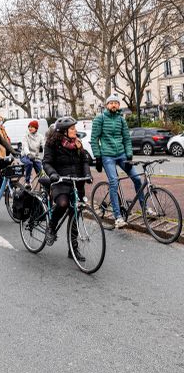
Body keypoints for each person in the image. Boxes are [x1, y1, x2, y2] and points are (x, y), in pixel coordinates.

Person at [90, 93, 149, 229]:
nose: (114, 105)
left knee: (137, 179)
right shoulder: (100, 119)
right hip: (107, 155)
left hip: (121, 154)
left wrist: (129, 153)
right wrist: (98, 157)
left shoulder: (121, 120)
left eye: (116, 103)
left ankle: (144, 208)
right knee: (114, 182)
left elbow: (127, 139)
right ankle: (118, 217)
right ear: (107, 105)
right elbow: (94, 139)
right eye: (111, 103)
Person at [43, 116, 91, 261]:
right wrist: (53, 174)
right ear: (64, 131)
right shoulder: (52, 144)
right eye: (72, 128)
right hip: (60, 181)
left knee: (76, 214)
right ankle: (51, 226)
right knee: (63, 204)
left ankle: (73, 249)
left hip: (77, 182)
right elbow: (46, 162)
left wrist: (87, 174)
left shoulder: (77, 144)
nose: (75, 130)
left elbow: (84, 160)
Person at [20, 120, 44, 187]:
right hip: (25, 155)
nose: (30, 128)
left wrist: (46, 155)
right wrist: (28, 154)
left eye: (32, 127)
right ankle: (27, 181)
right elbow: (25, 146)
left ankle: (43, 185)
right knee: (29, 163)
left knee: (41, 171)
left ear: (36, 128)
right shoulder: (26, 136)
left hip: (35, 157)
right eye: (29, 127)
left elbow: (44, 146)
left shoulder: (40, 136)